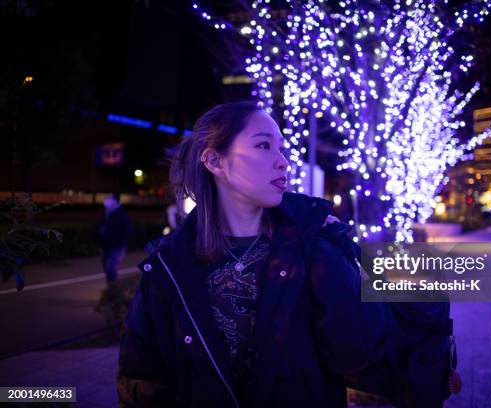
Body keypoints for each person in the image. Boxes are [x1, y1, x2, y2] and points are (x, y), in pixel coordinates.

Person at [117, 102, 455, 407]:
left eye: (282, 148)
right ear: (214, 160)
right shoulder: (167, 266)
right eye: (264, 145)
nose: (283, 161)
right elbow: (142, 380)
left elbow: (357, 352)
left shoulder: (315, 244)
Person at [94, 193, 133, 283]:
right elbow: (102, 228)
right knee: (107, 269)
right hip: (106, 246)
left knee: (110, 268)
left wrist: (117, 239)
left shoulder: (121, 214)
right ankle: (111, 290)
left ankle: (114, 292)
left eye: (109, 199)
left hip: (116, 246)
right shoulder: (108, 213)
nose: (106, 200)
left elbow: (128, 230)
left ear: (115, 201)